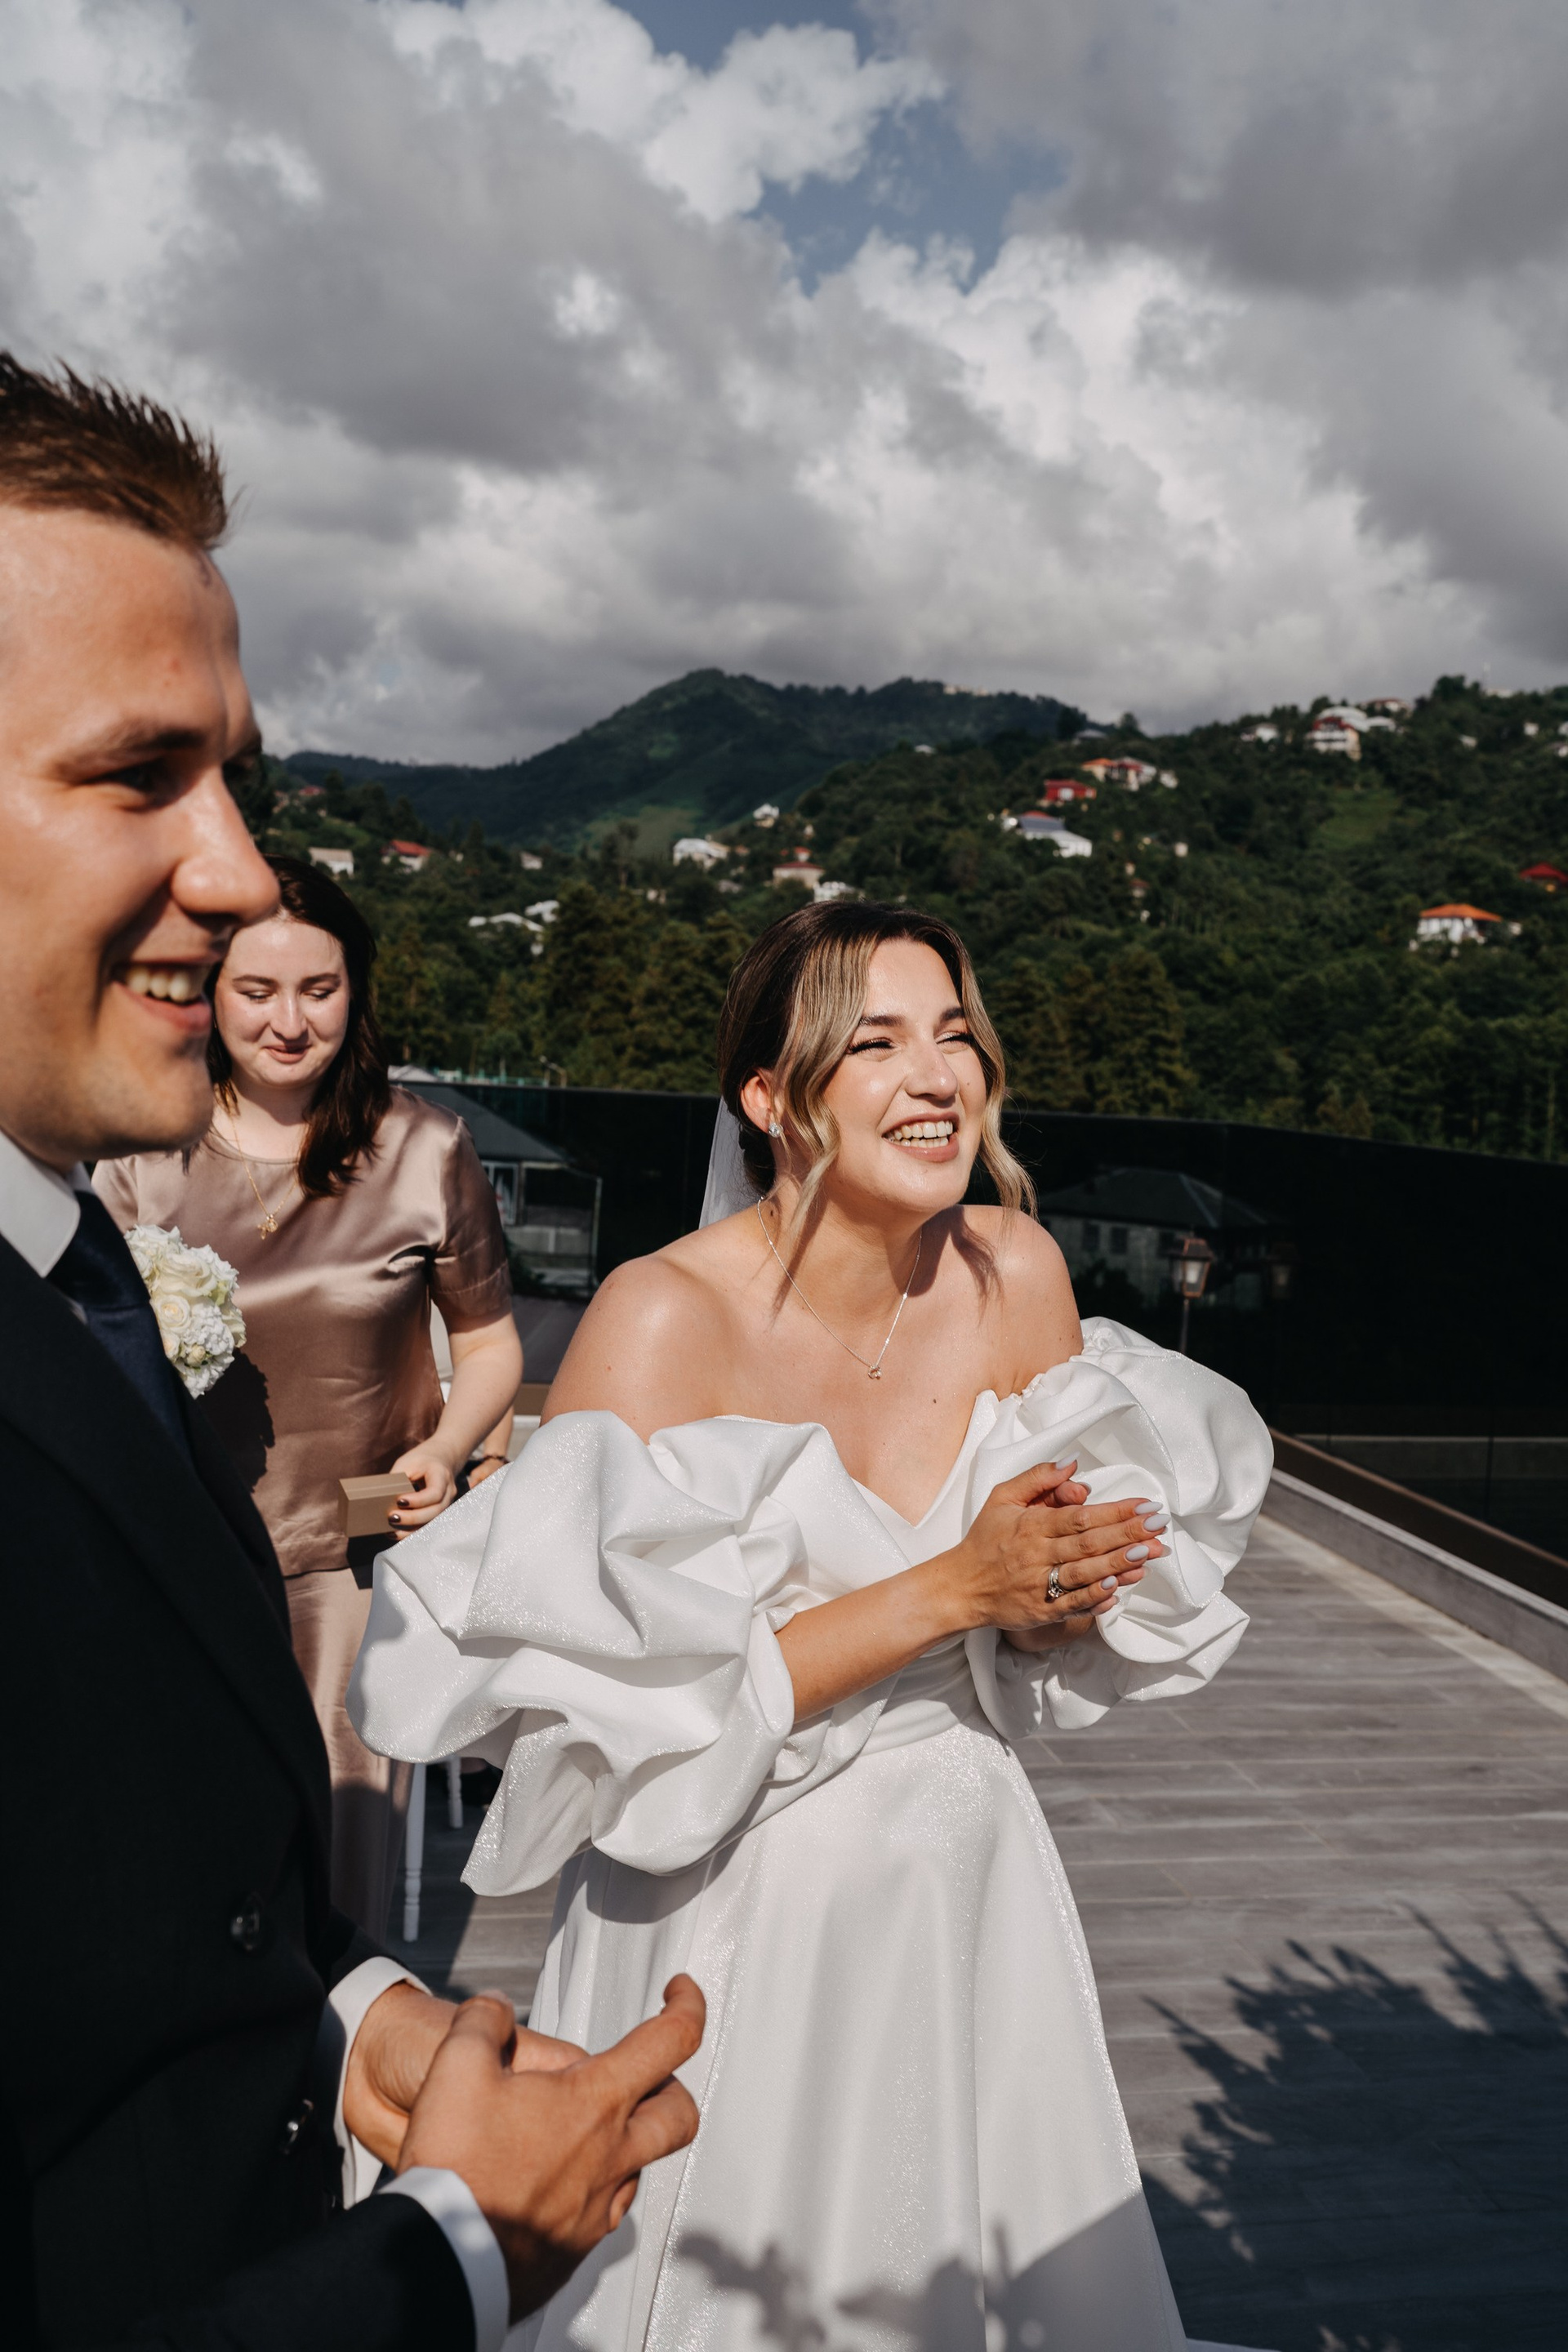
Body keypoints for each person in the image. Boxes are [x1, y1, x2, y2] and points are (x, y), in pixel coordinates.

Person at [0, 351, 703, 2352]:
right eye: (138, 774)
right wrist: (454, 2255)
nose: (238, 878)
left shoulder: (77, 1263)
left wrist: (356, 2017)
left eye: (232, 775)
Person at [353, 899, 1274, 2351]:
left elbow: (1025, 1639)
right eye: (878, 1045)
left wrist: (1054, 1595)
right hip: (731, 1908)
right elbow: (607, 1738)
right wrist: (957, 1586)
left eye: (955, 1036)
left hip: (962, 1883)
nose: (937, 1077)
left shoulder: (1017, 1272)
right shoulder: (661, 1319)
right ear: (772, 1100)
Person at [96, 853, 523, 1933]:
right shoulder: (140, 1152)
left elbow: (490, 1345)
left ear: (355, 991)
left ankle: (341, 2042)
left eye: (318, 990)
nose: (289, 1022)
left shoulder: (424, 1148)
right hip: (187, 1558)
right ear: (210, 991)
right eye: (257, 990)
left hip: (358, 1564)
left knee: (338, 1860)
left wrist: (448, 1450)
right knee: (186, 1848)